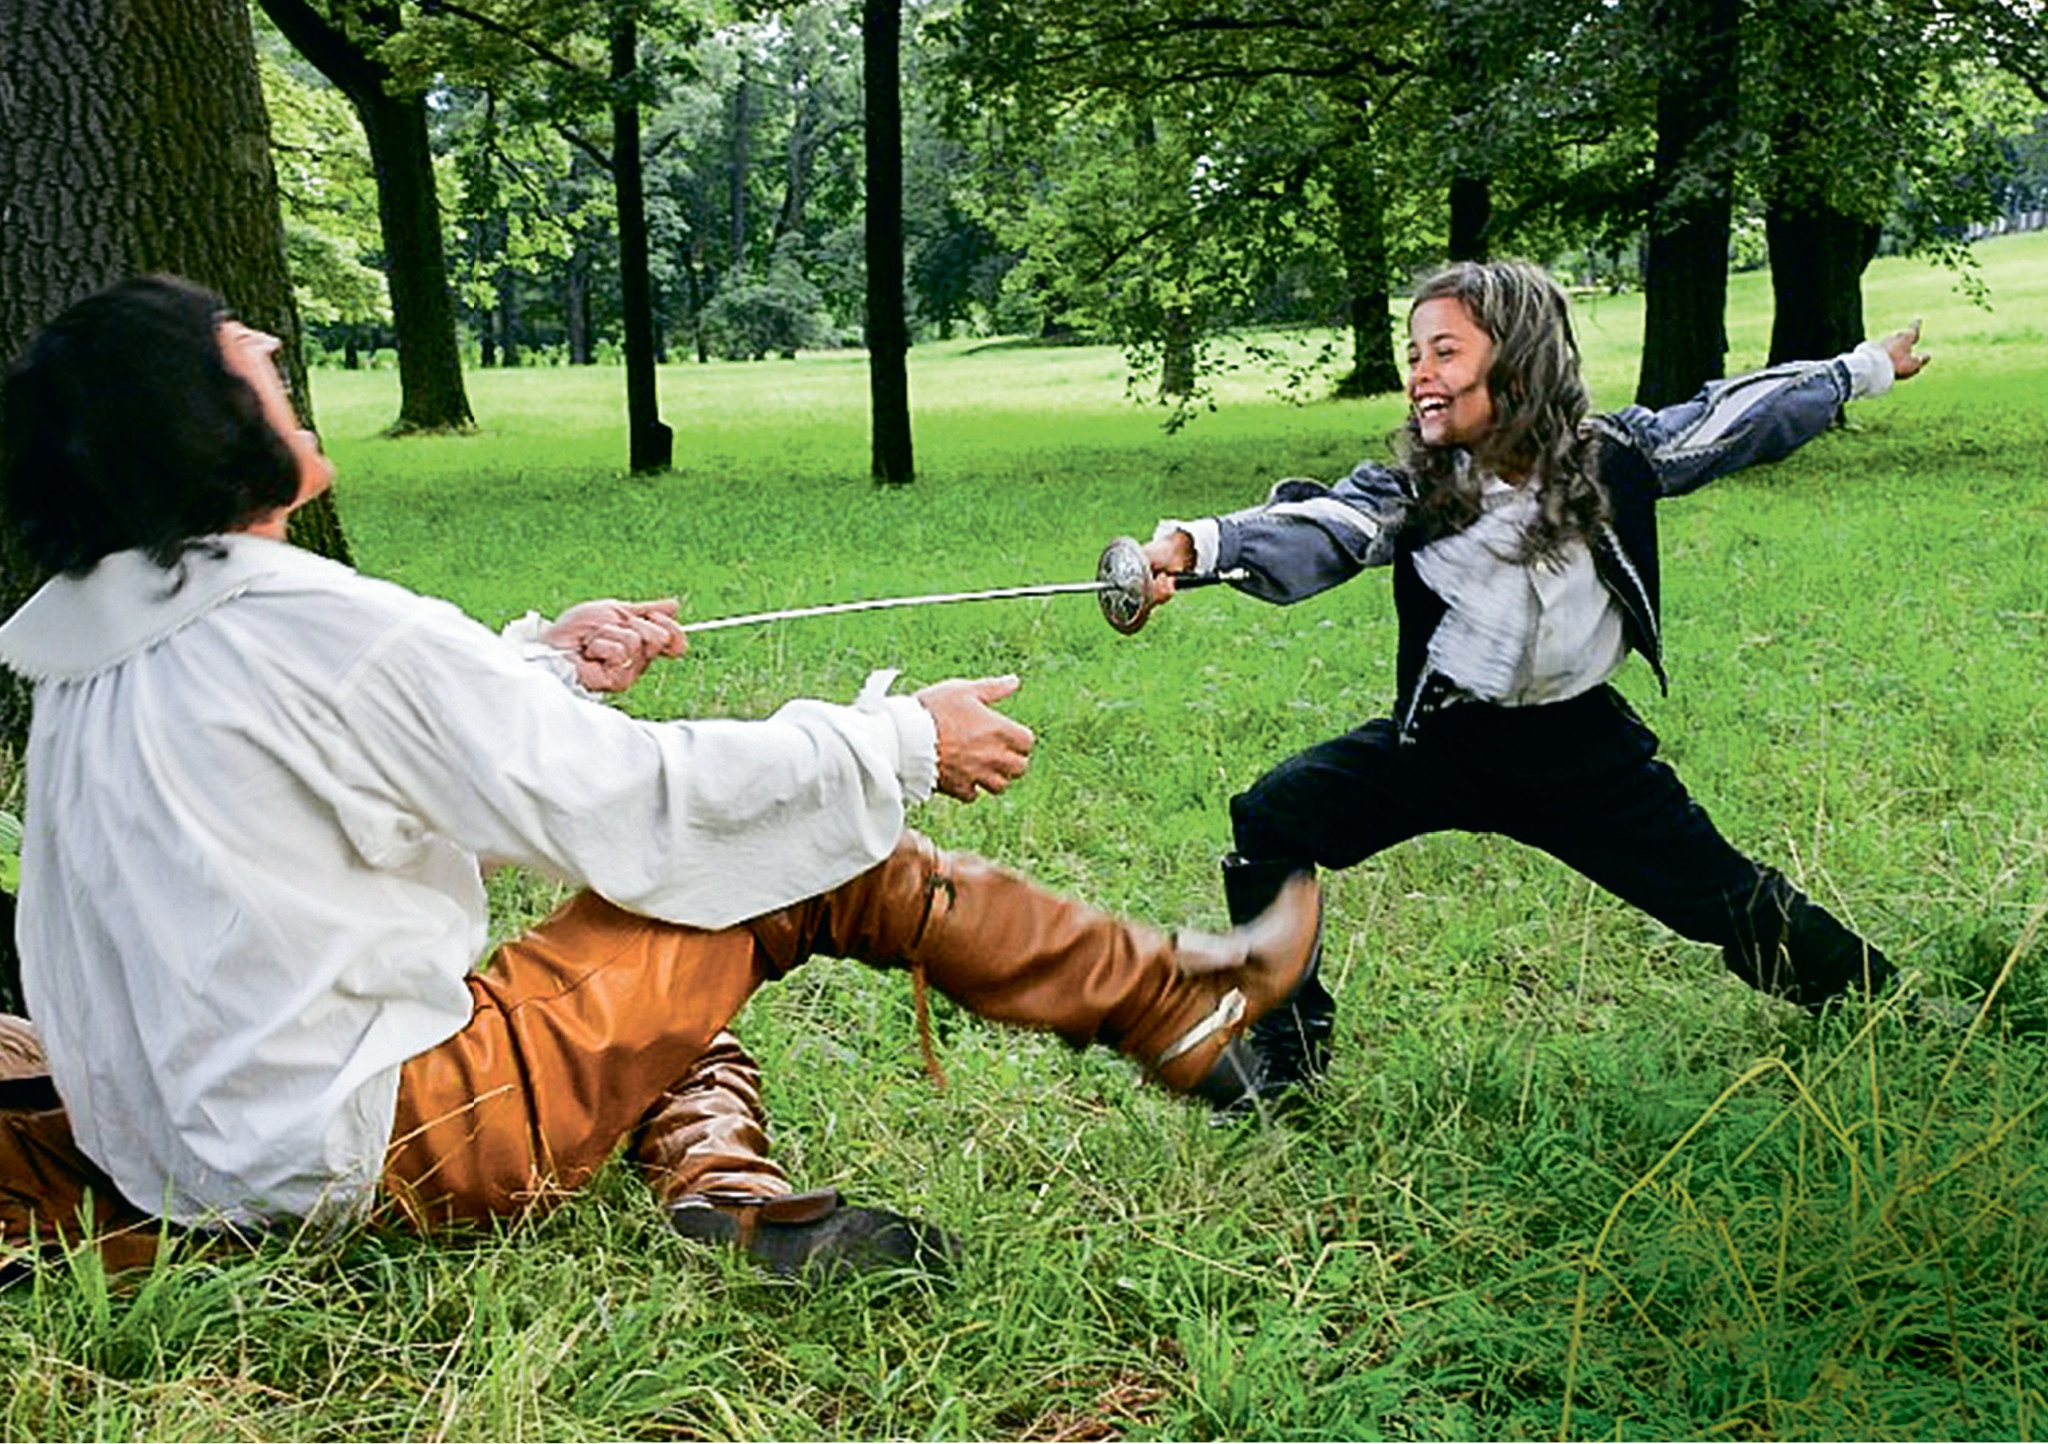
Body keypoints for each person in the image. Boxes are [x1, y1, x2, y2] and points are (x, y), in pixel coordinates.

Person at [0, 275, 1319, 1281]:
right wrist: (903, 740)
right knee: (789, 859)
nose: (270, 350)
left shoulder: (101, 651)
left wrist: (547, 664)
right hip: (374, 1143)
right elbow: (639, 808)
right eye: (237, 353)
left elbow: (378, 762)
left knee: (676, 942)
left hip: (184, 1157)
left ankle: (723, 1186)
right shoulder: (298, 624)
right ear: (190, 416)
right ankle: (1173, 1003)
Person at [1127, 259, 1929, 1105]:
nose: (1420, 374)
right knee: (1272, 818)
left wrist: (1863, 368)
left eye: (1445, 352)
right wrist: (1193, 548)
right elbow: (1326, 524)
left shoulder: (1616, 458)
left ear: (1519, 359)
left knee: (1721, 897)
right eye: (1413, 354)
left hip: (1580, 749)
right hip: (1442, 739)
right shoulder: (1416, 488)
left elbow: (1738, 415)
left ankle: (1883, 1003)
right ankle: (1287, 1063)